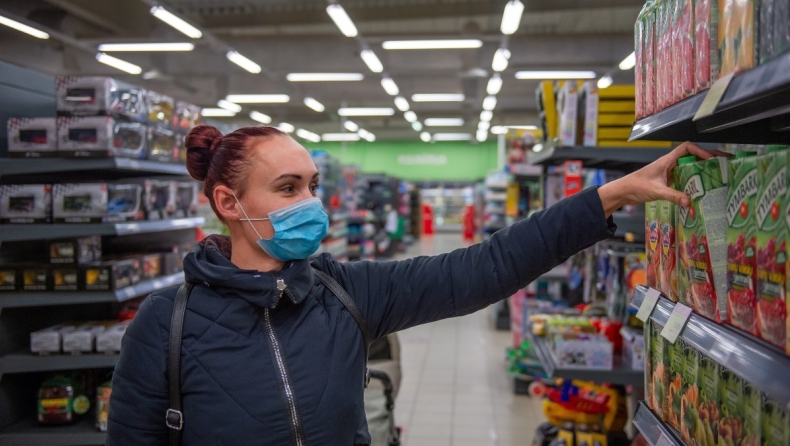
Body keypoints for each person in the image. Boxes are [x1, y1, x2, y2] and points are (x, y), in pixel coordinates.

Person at [107, 125, 714, 445]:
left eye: (313, 185)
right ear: (227, 203)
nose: (311, 204)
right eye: (288, 189)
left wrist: (611, 195)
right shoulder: (166, 325)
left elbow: (486, 267)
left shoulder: (345, 293)